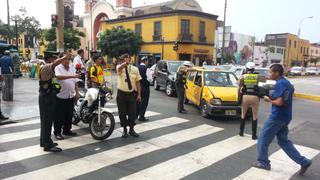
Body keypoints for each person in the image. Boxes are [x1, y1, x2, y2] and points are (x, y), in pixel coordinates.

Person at [253, 64, 312, 175]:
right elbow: (284, 99)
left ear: (277, 73)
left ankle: (263, 163)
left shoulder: (280, 83)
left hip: (277, 117)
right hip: (285, 117)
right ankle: (304, 162)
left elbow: (279, 102)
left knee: (262, 139)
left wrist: (268, 99)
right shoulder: (286, 83)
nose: (269, 74)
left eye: (270, 72)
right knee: (284, 142)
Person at [39, 51, 68, 152]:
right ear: (49, 59)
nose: (55, 60)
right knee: (47, 121)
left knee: (46, 121)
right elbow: (55, 63)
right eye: (53, 58)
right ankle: (47, 145)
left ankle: (44, 141)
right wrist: (64, 57)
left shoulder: (47, 67)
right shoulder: (46, 66)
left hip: (48, 96)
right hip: (47, 98)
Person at [54, 55, 81, 140]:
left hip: (70, 95)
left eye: (69, 59)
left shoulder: (72, 68)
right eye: (65, 59)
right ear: (61, 60)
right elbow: (58, 77)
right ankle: (57, 132)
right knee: (59, 116)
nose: (67, 61)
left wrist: (77, 93)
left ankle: (67, 130)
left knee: (69, 114)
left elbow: (75, 82)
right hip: (61, 96)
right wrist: (73, 76)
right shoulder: (58, 67)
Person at [116, 54, 142, 138]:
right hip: (121, 94)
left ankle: (131, 129)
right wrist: (124, 64)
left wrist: (139, 94)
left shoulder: (135, 69)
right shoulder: (119, 67)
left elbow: (138, 82)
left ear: (130, 60)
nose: (127, 60)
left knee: (132, 113)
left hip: (131, 94)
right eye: (125, 59)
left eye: (128, 59)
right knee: (122, 113)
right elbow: (119, 68)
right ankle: (124, 129)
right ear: (123, 60)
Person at [238, 62, 263, 140]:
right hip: (255, 97)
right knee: (254, 116)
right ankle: (254, 135)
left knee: (243, 114)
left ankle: (241, 132)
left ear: (246, 68)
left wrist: (238, 97)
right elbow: (265, 80)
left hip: (245, 96)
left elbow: (238, 88)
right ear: (253, 69)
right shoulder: (257, 76)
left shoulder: (243, 76)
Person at [137, 56, 153, 122]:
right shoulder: (147, 68)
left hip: (138, 87)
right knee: (144, 102)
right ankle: (141, 116)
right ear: (145, 61)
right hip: (145, 87)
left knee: (137, 102)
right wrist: (152, 77)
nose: (148, 62)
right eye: (147, 61)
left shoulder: (136, 68)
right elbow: (150, 79)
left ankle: (135, 115)